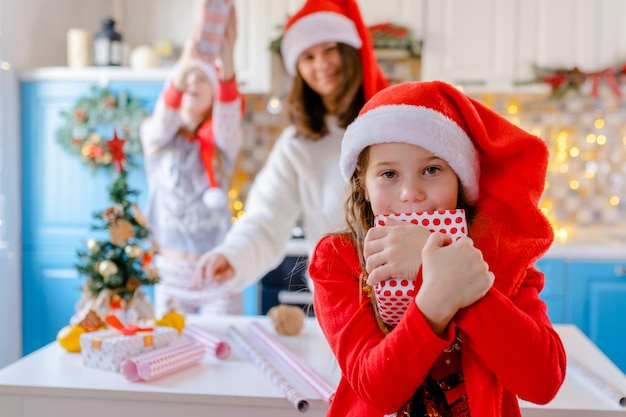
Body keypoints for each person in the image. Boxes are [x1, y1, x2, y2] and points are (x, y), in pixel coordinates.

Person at [308, 80, 567, 416]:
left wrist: (445, 269)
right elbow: (378, 390)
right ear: (364, 184)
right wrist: (438, 290)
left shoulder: (503, 259)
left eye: (432, 170)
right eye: (389, 173)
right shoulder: (338, 258)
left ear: (460, 180)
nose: (410, 193)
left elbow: (543, 382)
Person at [191, 0, 388, 295]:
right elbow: (265, 219)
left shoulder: (393, 123)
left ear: (351, 51)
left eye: (330, 49)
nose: (321, 65)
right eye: (308, 56)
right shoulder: (299, 144)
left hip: (409, 295)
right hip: (341, 304)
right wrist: (232, 257)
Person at [140, 5, 244, 317]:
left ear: (214, 95)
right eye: (188, 81)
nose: (193, 84)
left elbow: (227, 116)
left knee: (225, 357)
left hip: (217, 269)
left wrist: (226, 61)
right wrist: (185, 67)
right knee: (171, 353)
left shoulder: (224, 141)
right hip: (170, 272)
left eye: (203, 81)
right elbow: (164, 118)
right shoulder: (155, 137)